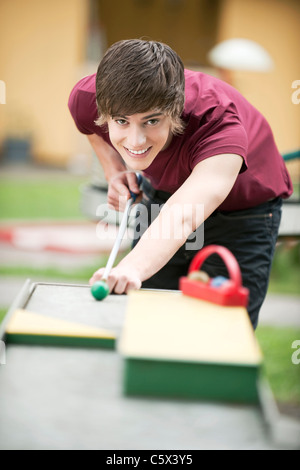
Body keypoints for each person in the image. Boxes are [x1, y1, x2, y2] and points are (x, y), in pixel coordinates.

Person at [68, 39, 292, 329]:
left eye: (151, 121)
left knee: (222, 332)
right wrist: (114, 171)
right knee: (147, 321)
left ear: (176, 110)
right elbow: (89, 126)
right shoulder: (88, 96)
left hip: (243, 211)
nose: (136, 141)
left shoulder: (218, 122)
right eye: (122, 121)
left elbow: (184, 214)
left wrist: (132, 268)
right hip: (164, 193)